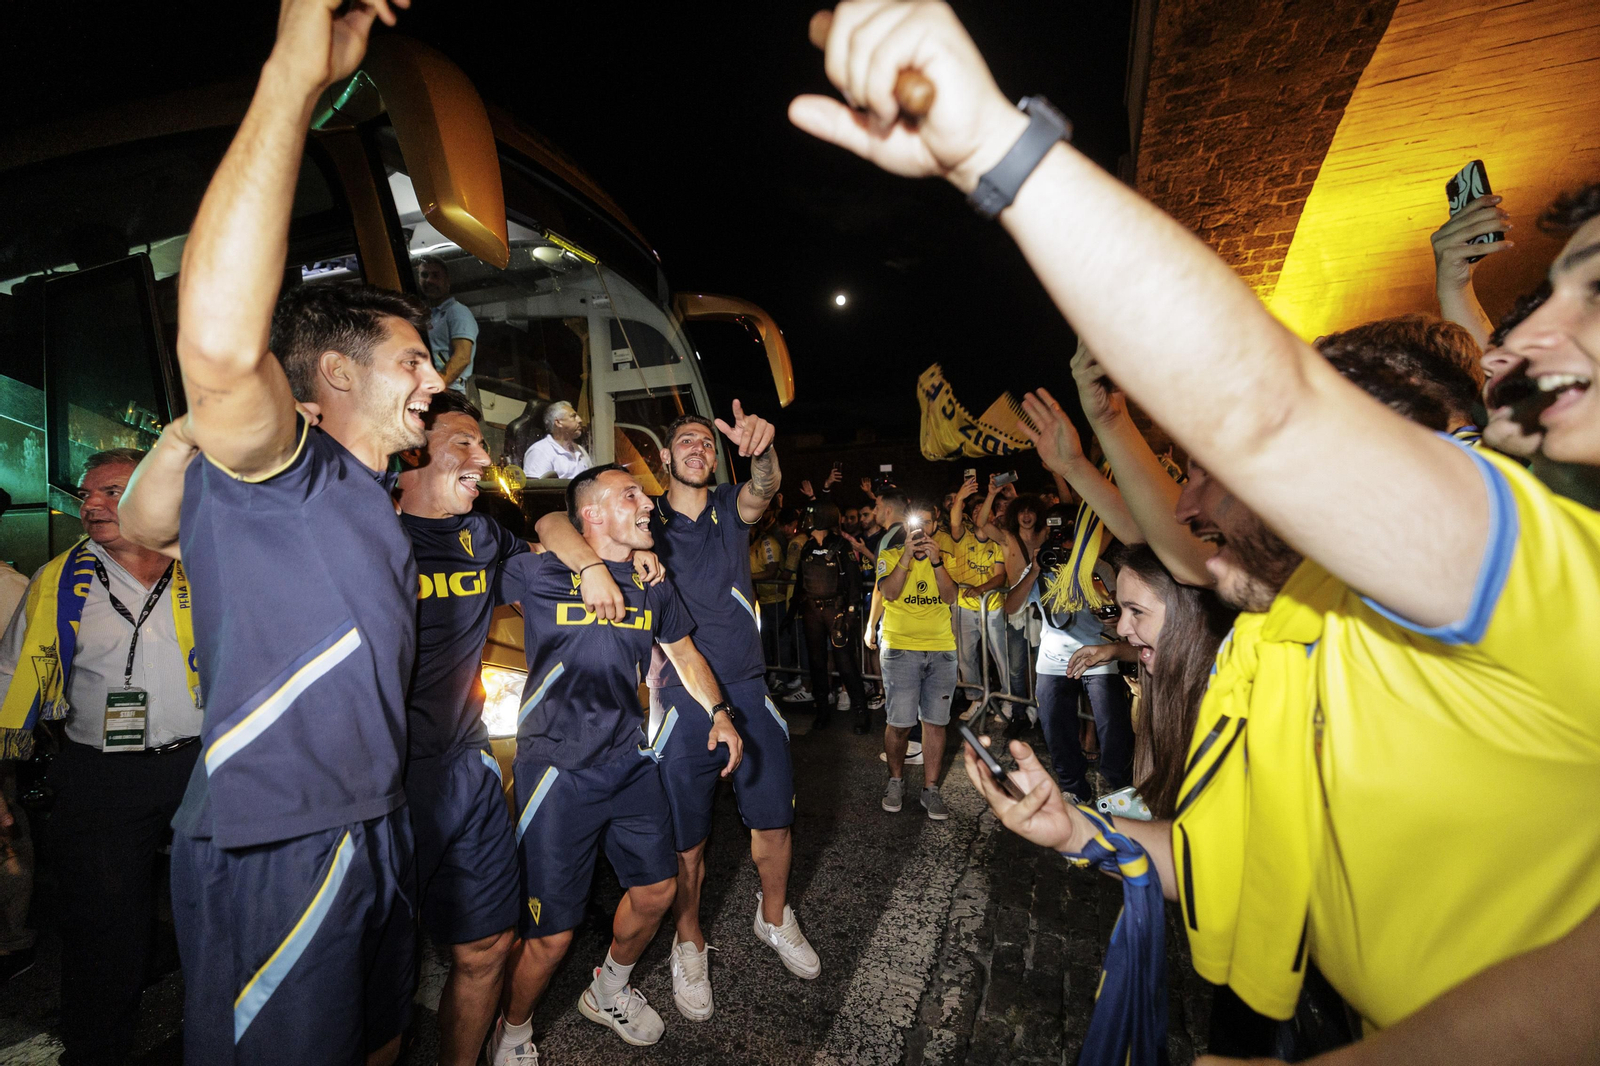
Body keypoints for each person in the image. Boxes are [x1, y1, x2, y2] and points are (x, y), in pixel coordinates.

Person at [795, 3, 1600, 1035]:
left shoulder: (1555, 560)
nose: (1532, 334)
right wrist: (1087, 832)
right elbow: (1249, 842)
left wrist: (1002, 150)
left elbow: (1267, 411)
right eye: (1544, 297)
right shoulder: (1317, 595)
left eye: (1591, 295)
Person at [118, 3, 436, 1061]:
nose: (436, 381)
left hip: (371, 821)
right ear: (333, 374)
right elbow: (216, 348)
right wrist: (293, 79)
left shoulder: (354, 494)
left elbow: (148, 522)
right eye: (413, 360)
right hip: (284, 836)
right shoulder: (283, 469)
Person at [537, 405, 818, 1024]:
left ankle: (774, 918)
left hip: (743, 687)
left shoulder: (729, 506)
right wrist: (596, 562)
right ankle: (689, 942)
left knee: (773, 821)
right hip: (679, 696)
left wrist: (761, 452)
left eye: (704, 442)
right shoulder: (645, 518)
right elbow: (557, 518)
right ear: (664, 457)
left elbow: (765, 486)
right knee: (687, 840)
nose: (696, 447)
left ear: (714, 457)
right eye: (684, 441)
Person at [487, 465, 738, 1062]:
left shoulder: (652, 583)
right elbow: (546, 520)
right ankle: (513, 1031)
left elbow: (682, 652)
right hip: (555, 767)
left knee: (657, 890)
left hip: (627, 761)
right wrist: (589, 564)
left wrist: (721, 712)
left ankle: (608, 989)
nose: (648, 502)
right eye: (631, 495)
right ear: (594, 514)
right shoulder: (541, 570)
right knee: (551, 937)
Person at [0, 448, 203, 1062]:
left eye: (111, 491)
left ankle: (227, 1034)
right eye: (86, 495)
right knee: (103, 926)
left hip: (204, 765)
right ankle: (96, 1048)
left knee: (222, 910)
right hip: (101, 774)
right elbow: (12, 685)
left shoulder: (209, 564)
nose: (90, 504)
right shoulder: (57, 582)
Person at [1002, 505, 1136, 802]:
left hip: (1098, 658)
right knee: (1057, 730)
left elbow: (1111, 615)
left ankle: (1120, 791)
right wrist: (1035, 570)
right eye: (1057, 536)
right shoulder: (1042, 567)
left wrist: (1089, 580)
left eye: (1069, 537)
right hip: (1053, 661)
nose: (1063, 545)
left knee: (1114, 731)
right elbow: (1011, 607)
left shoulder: (1098, 567)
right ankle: (1074, 788)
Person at [874, 501, 957, 820]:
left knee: (935, 723)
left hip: (940, 649)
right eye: (915, 523)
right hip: (900, 650)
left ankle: (931, 789)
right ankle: (895, 782)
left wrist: (936, 562)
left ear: (935, 526)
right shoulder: (891, 555)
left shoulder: (944, 556)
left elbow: (950, 596)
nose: (920, 529)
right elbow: (890, 593)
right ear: (906, 528)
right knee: (899, 724)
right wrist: (907, 555)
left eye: (927, 522)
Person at [793, 501, 869, 732]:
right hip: (812, 612)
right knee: (816, 663)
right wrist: (793, 610)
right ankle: (822, 711)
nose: (807, 518)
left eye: (811, 514)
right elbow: (800, 583)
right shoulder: (806, 547)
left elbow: (854, 583)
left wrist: (851, 613)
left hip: (835, 611)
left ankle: (861, 714)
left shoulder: (841, 546)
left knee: (846, 664)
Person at [943, 475, 1008, 712]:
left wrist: (980, 589)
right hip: (964, 607)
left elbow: (1000, 577)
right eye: (978, 510)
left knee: (1001, 656)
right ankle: (976, 699)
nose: (984, 514)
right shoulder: (961, 537)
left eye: (987, 510)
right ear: (972, 517)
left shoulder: (1000, 542)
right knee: (965, 657)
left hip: (992, 606)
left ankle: (1008, 701)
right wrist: (961, 496)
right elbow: (954, 519)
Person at [417, 254, 479, 394]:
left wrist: (435, 388)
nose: (430, 280)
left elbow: (462, 357)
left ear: (447, 281)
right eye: (424, 275)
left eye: (435, 275)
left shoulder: (457, 312)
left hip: (450, 393)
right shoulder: (426, 315)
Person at [521, 400, 591, 479]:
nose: (580, 420)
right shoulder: (540, 451)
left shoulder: (580, 450)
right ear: (558, 422)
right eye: (573, 416)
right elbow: (536, 489)